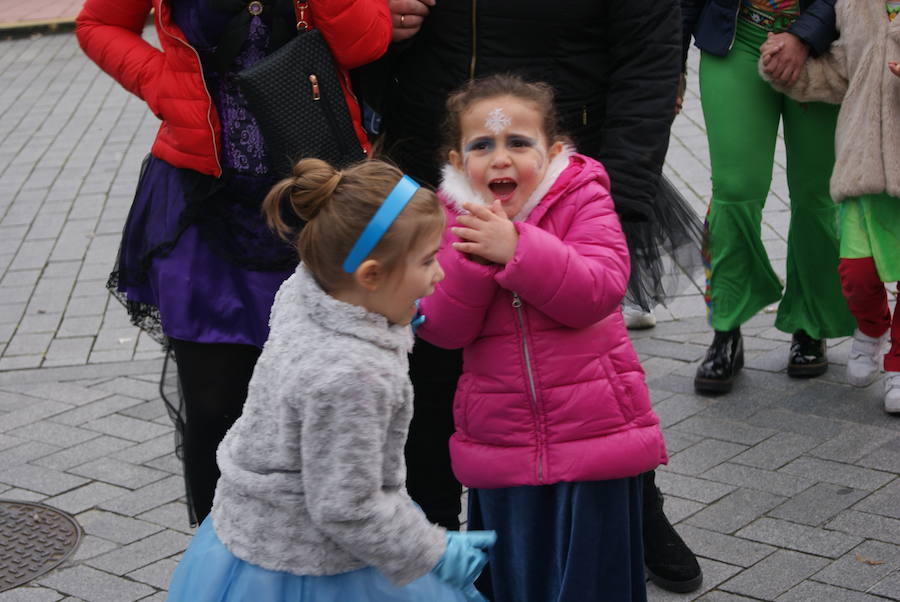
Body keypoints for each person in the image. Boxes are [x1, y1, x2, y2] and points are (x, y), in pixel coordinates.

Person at [362, 0, 705, 592]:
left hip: (555, 167)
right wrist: (370, 18)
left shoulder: (580, 190)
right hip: (433, 156)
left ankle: (632, 501)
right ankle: (440, 544)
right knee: (432, 367)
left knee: (578, 360)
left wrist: (619, 199)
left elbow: (648, 52)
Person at [75, 0, 391, 525]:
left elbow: (365, 43)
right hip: (203, 201)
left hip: (318, 199)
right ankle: (220, 553)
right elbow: (99, 23)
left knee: (327, 400)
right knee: (213, 406)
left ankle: (321, 552)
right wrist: (161, 82)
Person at [165, 158, 496, 601]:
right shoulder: (354, 377)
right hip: (316, 566)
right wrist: (433, 554)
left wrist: (390, 317)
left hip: (252, 531)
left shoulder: (311, 288)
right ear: (371, 275)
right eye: (427, 260)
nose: (439, 273)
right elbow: (348, 508)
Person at [414, 74, 668, 602]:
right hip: (502, 443)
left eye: (518, 142)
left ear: (552, 151)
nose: (500, 159)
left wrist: (517, 249)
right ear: (457, 161)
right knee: (519, 578)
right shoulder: (450, 218)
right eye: (481, 146)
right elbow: (442, 327)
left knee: (592, 582)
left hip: (594, 435)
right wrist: (475, 262)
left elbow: (597, 290)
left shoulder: (582, 195)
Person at [682, 0, 856, 394]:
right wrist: (670, 63)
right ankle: (726, 325)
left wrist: (803, 35)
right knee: (734, 189)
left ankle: (811, 323)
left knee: (815, 196)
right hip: (736, 40)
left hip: (823, 49)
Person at [758, 0, 900, 413]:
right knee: (855, 272)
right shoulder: (854, 5)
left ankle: (897, 365)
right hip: (862, 170)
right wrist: (786, 72)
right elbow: (837, 71)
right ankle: (871, 327)